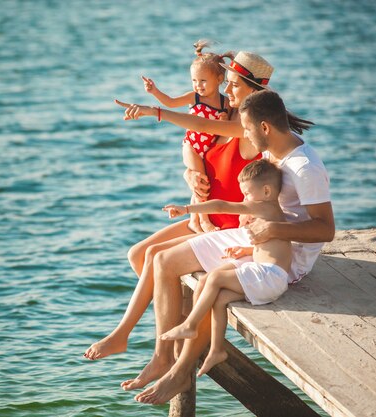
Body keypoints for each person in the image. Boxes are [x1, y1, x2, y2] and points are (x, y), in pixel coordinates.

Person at [127, 89, 334, 405]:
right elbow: (205, 128)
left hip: (285, 257)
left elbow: (326, 229)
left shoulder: (306, 168)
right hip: (254, 239)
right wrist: (157, 113)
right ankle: (162, 356)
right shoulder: (273, 148)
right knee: (163, 260)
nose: (244, 135)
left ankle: (181, 370)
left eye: (247, 128)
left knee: (209, 289)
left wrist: (273, 229)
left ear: (264, 127)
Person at [83, 52, 270, 365]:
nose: (228, 91)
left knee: (157, 257)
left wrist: (155, 111)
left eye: (234, 85)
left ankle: (144, 343)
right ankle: (175, 320)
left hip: (228, 228)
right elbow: (194, 146)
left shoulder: (248, 129)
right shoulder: (223, 116)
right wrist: (189, 174)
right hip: (207, 215)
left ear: (253, 90)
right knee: (137, 255)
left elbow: (194, 123)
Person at [159, 159, 291, 377]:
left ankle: (190, 324)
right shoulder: (272, 213)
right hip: (270, 277)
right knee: (219, 299)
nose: (245, 200)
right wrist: (246, 251)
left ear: (266, 191)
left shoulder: (263, 207)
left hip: (268, 276)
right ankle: (216, 350)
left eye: (247, 194)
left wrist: (186, 209)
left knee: (212, 279)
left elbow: (221, 205)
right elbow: (273, 248)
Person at [141, 40, 234, 232]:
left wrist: (224, 121)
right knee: (200, 179)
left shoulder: (226, 103)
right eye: (194, 81)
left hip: (209, 148)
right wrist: (154, 91)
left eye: (203, 81)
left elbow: (226, 129)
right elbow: (171, 103)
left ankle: (194, 220)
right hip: (192, 146)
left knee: (201, 182)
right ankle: (205, 221)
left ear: (218, 79)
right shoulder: (195, 97)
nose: (198, 85)